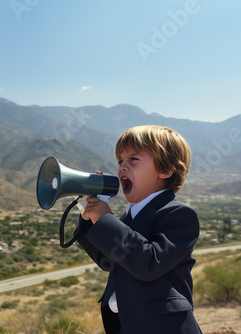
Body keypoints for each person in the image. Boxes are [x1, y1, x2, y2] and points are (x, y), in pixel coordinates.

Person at [74, 125, 202, 334]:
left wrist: (106, 219)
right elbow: (108, 261)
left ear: (165, 170)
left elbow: (148, 263)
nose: (122, 167)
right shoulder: (127, 219)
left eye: (133, 160)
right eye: (120, 161)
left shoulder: (179, 214)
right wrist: (91, 219)